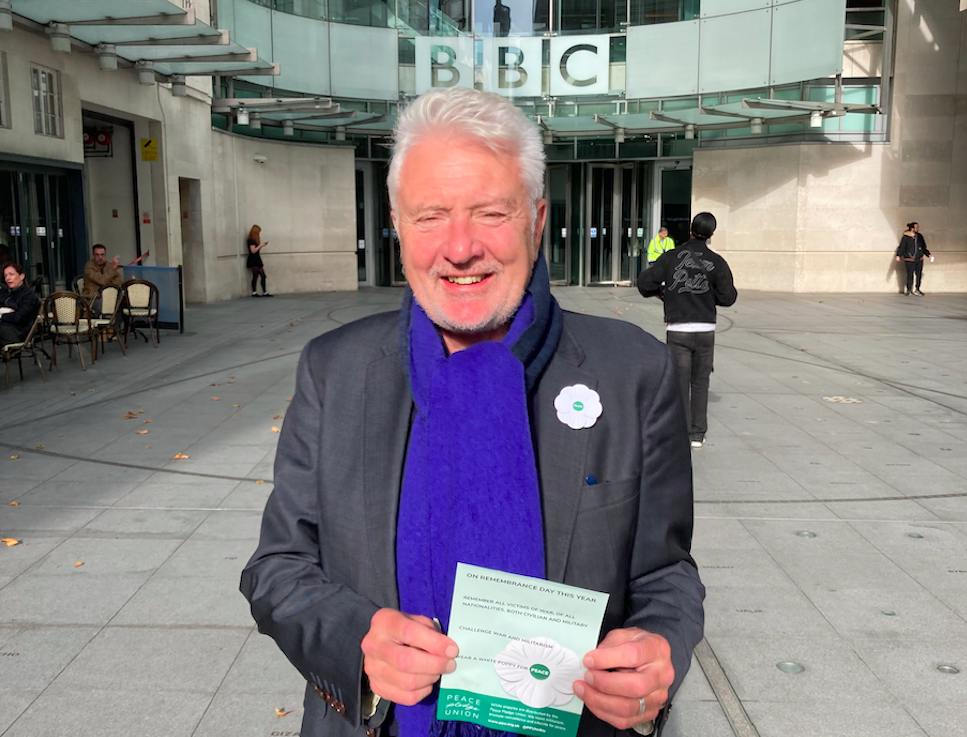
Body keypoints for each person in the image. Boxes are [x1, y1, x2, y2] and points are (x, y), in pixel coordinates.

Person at [241, 88, 704, 737]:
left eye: (489, 212)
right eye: (429, 215)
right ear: (397, 223)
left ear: (536, 220)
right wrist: (359, 642)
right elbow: (277, 567)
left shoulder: (632, 372)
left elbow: (665, 572)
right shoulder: (335, 370)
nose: (458, 248)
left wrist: (660, 649)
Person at [637, 213, 737, 450]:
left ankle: (680, 431)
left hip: (678, 328)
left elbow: (644, 283)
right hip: (705, 329)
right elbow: (728, 297)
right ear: (711, 234)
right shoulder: (717, 262)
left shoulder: (671, 257)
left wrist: (662, 292)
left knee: (679, 381)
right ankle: (697, 434)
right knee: (700, 382)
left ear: (690, 228)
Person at [0, 263, 40, 348]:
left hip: (18, 333)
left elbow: (19, 317)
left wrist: (1, 315)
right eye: (5, 276)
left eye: (11, 274)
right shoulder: (4, 293)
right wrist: (8, 312)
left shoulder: (28, 296)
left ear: (21, 276)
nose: (8, 278)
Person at [895, 222, 931, 296]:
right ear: (912, 228)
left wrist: (928, 254)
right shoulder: (906, 237)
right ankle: (909, 289)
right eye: (916, 227)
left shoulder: (920, 236)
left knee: (919, 274)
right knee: (910, 275)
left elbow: (924, 247)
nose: (918, 229)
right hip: (909, 259)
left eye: (918, 227)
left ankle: (917, 289)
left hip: (919, 259)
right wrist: (898, 255)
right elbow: (902, 247)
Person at [247, 225, 273, 297]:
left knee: (263, 276)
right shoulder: (251, 240)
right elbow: (253, 250)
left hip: (257, 259)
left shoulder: (255, 240)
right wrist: (260, 245)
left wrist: (261, 245)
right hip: (253, 259)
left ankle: (264, 292)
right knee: (255, 275)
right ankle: (254, 292)